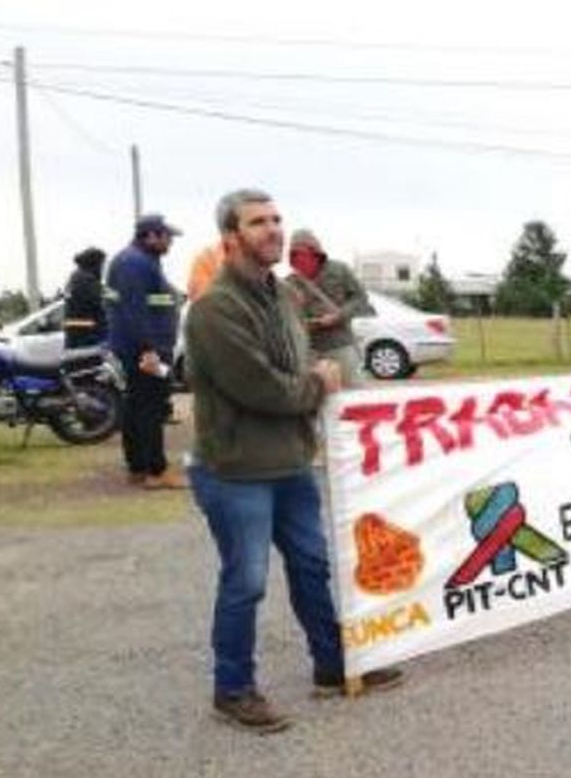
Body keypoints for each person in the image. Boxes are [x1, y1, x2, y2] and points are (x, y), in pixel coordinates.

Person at [185, 188, 402, 734]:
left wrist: (311, 378)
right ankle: (232, 689)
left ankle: (332, 667)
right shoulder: (214, 310)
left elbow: (297, 358)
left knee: (312, 566)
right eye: (258, 222)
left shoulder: (283, 297)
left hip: (291, 463)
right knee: (246, 581)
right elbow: (262, 387)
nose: (274, 230)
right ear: (231, 238)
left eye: (277, 219)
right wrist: (318, 383)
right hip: (235, 471)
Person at [106, 214, 185, 489]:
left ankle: (139, 467)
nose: (170, 243)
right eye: (167, 237)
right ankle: (156, 470)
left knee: (138, 406)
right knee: (150, 407)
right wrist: (149, 350)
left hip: (142, 348)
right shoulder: (134, 264)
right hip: (144, 350)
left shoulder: (139, 261)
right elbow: (134, 311)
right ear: (150, 236)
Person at [284, 228, 374, 386]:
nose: (301, 258)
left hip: (340, 345)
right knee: (317, 401)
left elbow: (360, 299)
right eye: (296, 254)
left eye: (304, 252)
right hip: (308, 351)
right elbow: (286, 315)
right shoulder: (290, 282)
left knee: (354, 393)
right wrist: (302, 321)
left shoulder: (339, 270)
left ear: (315, 252)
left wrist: (338, 316)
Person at [62, 247, 107, 350]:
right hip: (87, 337)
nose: (102, 269)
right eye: (101, 265)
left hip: (76, 335)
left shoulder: (76, 277)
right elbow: (105, 298)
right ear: (94, 263)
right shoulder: (86, 280)